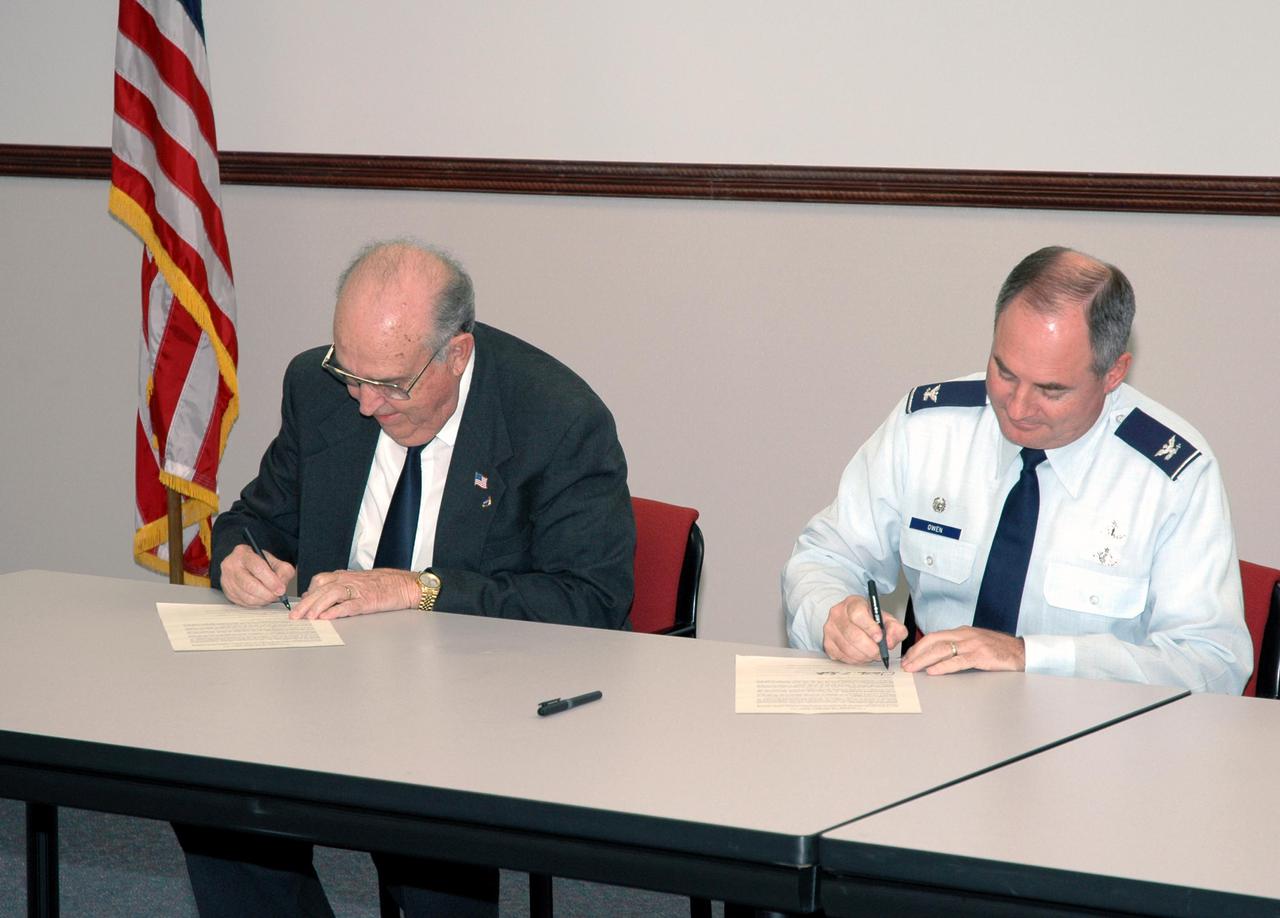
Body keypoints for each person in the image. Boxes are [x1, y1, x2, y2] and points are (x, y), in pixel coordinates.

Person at [175, 239, 635, 917]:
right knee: (212, 796)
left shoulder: (558, 420)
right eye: (351, 374)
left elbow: (592, 601)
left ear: (457, 355)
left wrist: (416, 588)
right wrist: (239, 556)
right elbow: (255, 519)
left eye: (389, 385)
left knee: (428, 846)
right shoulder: (320, 386)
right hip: (320, 682)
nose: (364, 405)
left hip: (468, 706)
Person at [783, 246, 1250, 694]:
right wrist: (834, 614)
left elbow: (1212, 664)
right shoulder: (928, 428)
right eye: (1004, 372)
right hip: (933, 724)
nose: (1018, 407)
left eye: (1051, 389)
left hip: (1098, 746)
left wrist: (1030, 656)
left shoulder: (1170, 475)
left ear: (1114, 374)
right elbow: (826, 557)